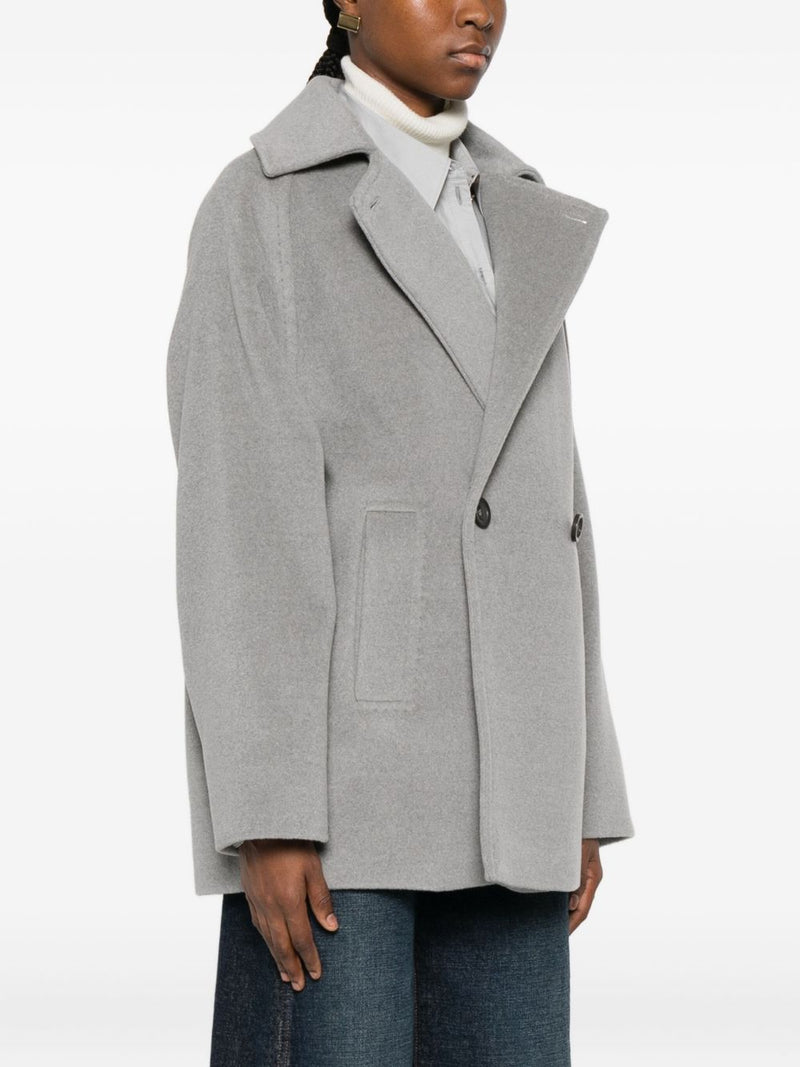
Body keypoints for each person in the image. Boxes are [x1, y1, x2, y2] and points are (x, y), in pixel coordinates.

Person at [166, 1, 635, 1063]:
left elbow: (553, 508)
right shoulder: (265, 205)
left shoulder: (512, 206)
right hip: (343, 801)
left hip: (518, 789)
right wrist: (267, 812)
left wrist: (580, 782)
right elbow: (239, 521)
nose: (476, 11)